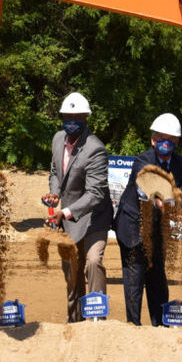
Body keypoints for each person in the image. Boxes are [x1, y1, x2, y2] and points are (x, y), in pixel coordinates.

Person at [43, 92, 114, 322]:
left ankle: (96, 320)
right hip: (69, 218)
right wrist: (54, 193)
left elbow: (95, 193)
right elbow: (55, 171)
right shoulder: (57, 139)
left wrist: (64, 212)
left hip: (94, 217)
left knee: (93, 262)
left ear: (86, 118)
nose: (72, 122)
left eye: (77, 117)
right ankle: (74, 321)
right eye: (67, 117)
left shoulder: (95, 148)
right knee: (71, 267)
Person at [113, 113, 182, 326]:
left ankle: (161, 327)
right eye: (161, 138)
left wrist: (180, 205)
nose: (166, 143)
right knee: (134, 279)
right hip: (132, 224)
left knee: (157, 279)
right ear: (153, 140)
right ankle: (133, 326)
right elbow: (146, 184)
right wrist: (160, 200)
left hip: (157, 229)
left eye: (171, 139)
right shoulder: (142, 160)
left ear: (177, 142)